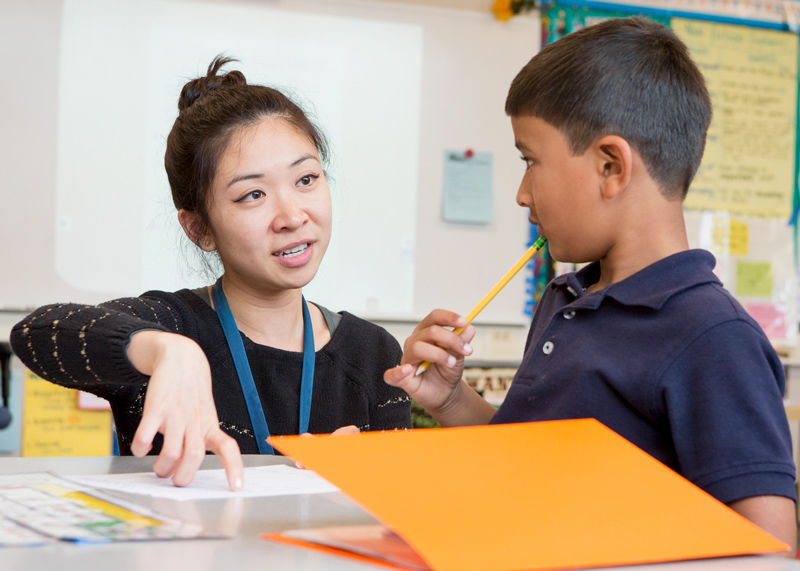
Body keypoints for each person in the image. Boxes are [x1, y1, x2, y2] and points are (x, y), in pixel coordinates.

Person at [384, 17, 797, 551]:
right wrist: (451, 400)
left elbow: (770, 547)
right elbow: (526, 462)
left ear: (610, 167)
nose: (521, 193)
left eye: (530, 161)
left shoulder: (716, 338)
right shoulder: (566, 299)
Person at [11, 56, 411, 491]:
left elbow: (399, 505)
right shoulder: (173, 325)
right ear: (199, 228)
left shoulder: (374, 354)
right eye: (253, 194)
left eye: (306, 179)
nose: (292, 216)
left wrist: (358, 483)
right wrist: (163, 351)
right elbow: (36, 333)